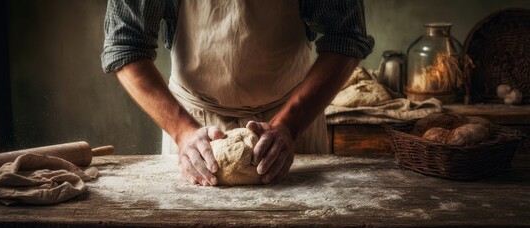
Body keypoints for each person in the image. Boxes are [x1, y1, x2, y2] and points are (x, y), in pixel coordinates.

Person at [101, 0, 374, 186]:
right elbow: (126, 46)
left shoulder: (291, 125)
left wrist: (289, 126)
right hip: (193, 127)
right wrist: (183, 131)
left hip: (292, 122)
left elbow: (346, 38)